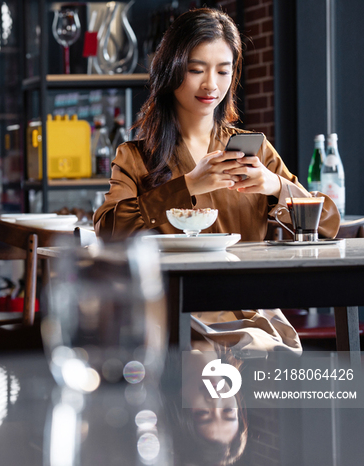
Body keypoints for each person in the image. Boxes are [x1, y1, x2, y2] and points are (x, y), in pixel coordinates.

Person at [93, 8, 340, 354]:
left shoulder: (255, 150)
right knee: (201, 355)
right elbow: (107, 230)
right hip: (171, 313)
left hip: (249, 310)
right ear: (171, 70)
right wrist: (188, 185)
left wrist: (274, 186)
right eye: (196, 70)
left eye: (223, 71)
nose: (211, 85)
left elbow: (328, 223)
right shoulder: (134, 157)